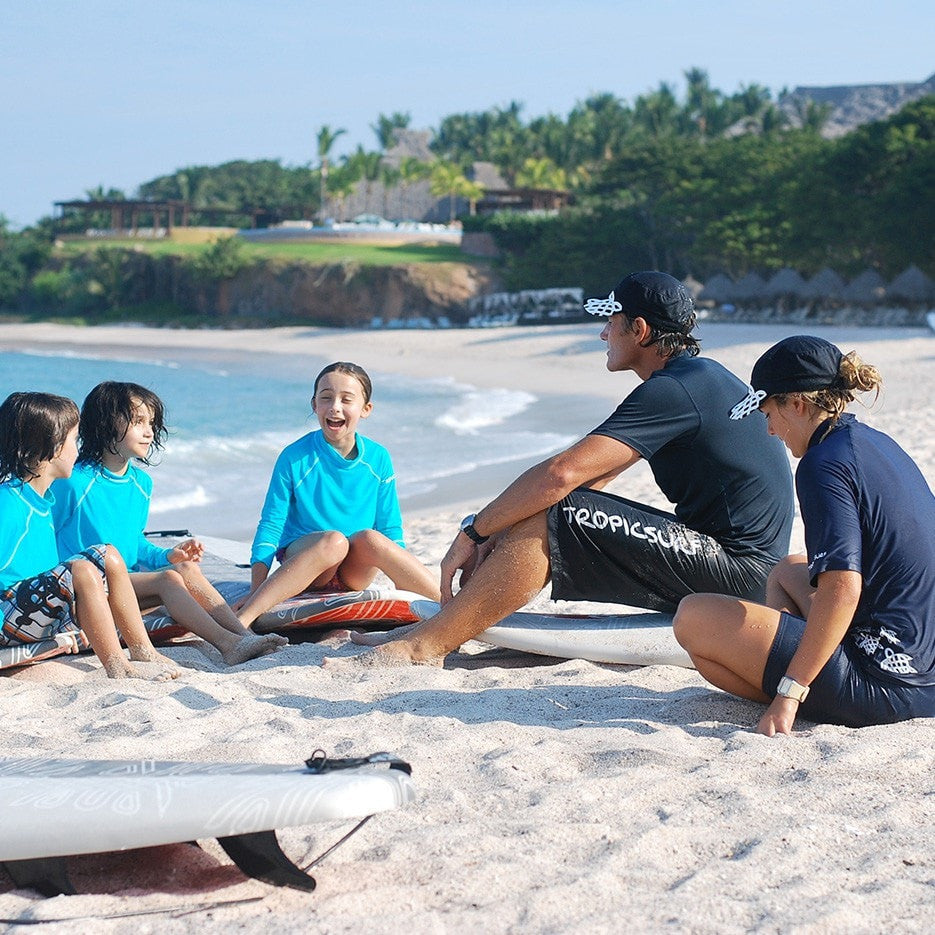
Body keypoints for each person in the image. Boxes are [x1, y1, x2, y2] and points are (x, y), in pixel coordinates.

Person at [344, 270, 794, 666]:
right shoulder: (695, 380)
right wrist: (501, 525)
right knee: (548, 506)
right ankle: (445, 630)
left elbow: (563, 474)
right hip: (740, 567)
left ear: (638, 329)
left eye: (610, 322)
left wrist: (474, 532)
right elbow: (597, 475)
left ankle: (425, 647)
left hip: (741, 573)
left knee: (553, 512)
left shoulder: (676, 390)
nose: (602, 334)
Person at [674, 336, 935, 733]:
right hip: (924, 663)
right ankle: (794, 659)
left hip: (885, 681)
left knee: (692, 618)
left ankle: (797, 681)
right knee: (787, 569)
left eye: (767, 413)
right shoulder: (875, 443)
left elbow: (842, 589)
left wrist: (788, 694)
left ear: (796, 404)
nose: (769, 430)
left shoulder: (821, 465)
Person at [51, 382, 286, 665]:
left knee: (184, 568)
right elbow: (45, 536)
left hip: (126, 589)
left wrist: (167, 555)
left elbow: (134, 541)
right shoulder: (75, 482)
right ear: (105, 423)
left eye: (151, 422)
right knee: (168, 578)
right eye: (138, 422)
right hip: (86, 593)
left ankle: (244, 636)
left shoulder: (141, 483)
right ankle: (228, 645)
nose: (149, 431)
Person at [234, 361, 440, 627]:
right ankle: (244, 620)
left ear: (366, 409)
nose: (335, 407)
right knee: (334, 542)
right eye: (326, 398)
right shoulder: (295, 457)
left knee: (370, 538)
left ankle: (449, 606)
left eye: (346, 399)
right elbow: (271, 525)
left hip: (354, 572)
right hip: (307, 564)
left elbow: (390, 530)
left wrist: (400, 580)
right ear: (314, 405)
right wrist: (256, 590)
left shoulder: (378, 459)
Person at [0, 391, 179, 680]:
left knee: (107, 553)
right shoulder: (9, 502)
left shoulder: (43, 500)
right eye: (73, 439)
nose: (77, 448)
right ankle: (117, 665)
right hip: (8, 619)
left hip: (37, 614)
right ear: (52, 446)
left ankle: (143, 651)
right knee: (81, 569)